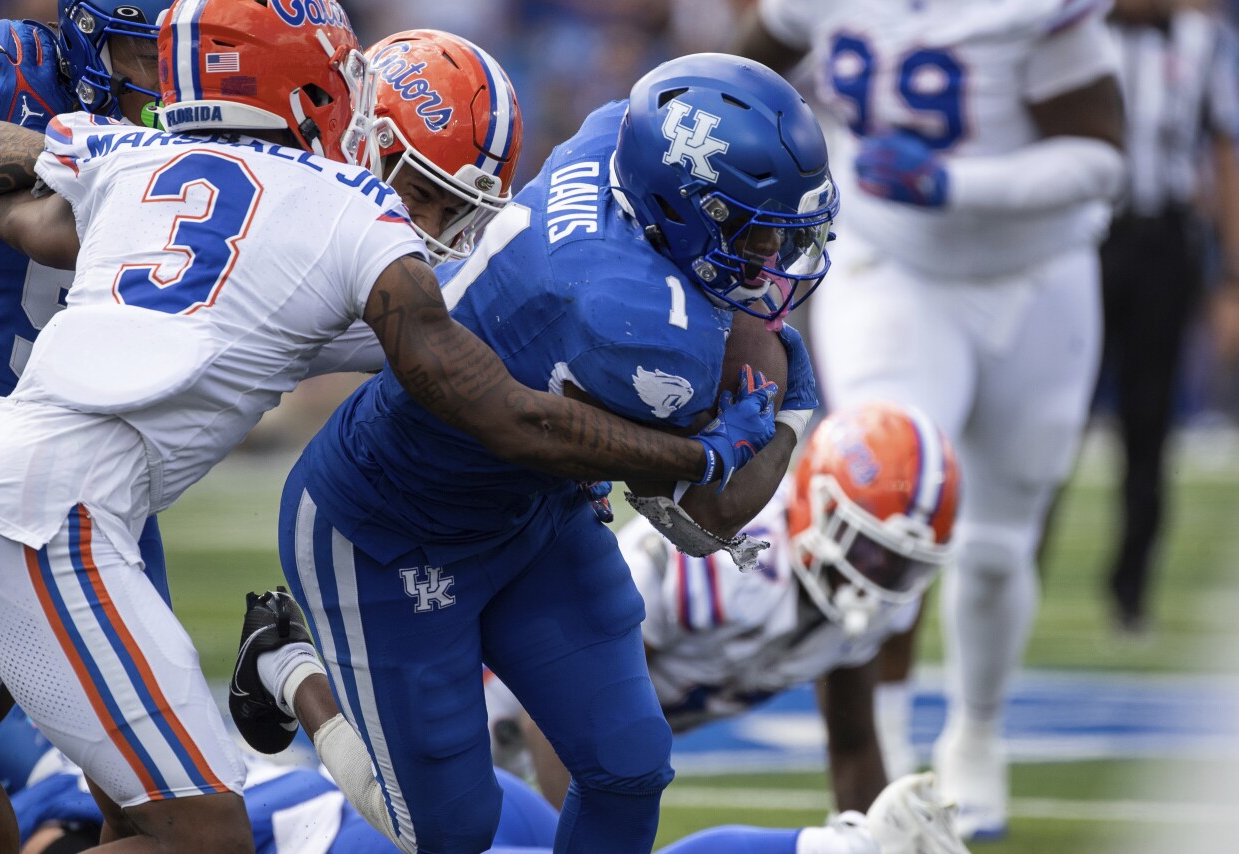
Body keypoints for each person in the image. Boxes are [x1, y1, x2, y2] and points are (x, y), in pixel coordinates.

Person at [0, 2, 781, 850]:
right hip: (53, 510)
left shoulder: (134, 153)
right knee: (203, 839)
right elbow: (499, 409)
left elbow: (21, 215)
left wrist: (38, 135)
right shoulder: (353, 210)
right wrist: (695, 453)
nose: (436, 220)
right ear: (314, 97)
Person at [227, 51, 837, 854]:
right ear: (687, 208)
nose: (773, 252)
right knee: (445, 831)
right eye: (756, 228)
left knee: (629, 764)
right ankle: (285, 668)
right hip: (389, 528)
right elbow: (706, 514)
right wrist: (791, 411)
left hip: (532, 510)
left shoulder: (618, 134)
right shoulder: (639, 329)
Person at [732, 0, 1127, 840]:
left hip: (1035, 272)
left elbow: (1102, 159)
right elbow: (738, 83)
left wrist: (957, 184)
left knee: (997, 544)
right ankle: (880, 742)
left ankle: (977, 733)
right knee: (877, 499)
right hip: (891, 263)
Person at [491, 401, 962, 820]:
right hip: (501, 698)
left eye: (902, 565)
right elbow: (567, 707)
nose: (876, 577)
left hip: (571, 730)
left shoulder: (862, 608)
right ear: (819, 506)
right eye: (869, 549)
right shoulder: (729, 563)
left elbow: (854, 745)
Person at [0, 3, 169, 850]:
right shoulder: (24, 63)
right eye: (141, 55)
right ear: (87, 39)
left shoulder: (209, 122)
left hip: (101, 473)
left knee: (150, 792)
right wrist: (86, 156)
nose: (162, 80)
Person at [0, 702, 964, 854]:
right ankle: (830, 844)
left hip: (355, 835)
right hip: (408, 809)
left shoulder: (53, 797)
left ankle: (841, 847)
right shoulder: (70, 749)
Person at [1099, 0, 1239, 635]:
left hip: (1165, 242)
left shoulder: (1203, 40)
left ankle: (1131, 592)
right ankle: (1019, 571)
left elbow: (1224, 154)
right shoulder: (1076, 29)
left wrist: (1231, 277)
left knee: (1150, 423)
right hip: (1088, 238)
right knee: (1050, 415)